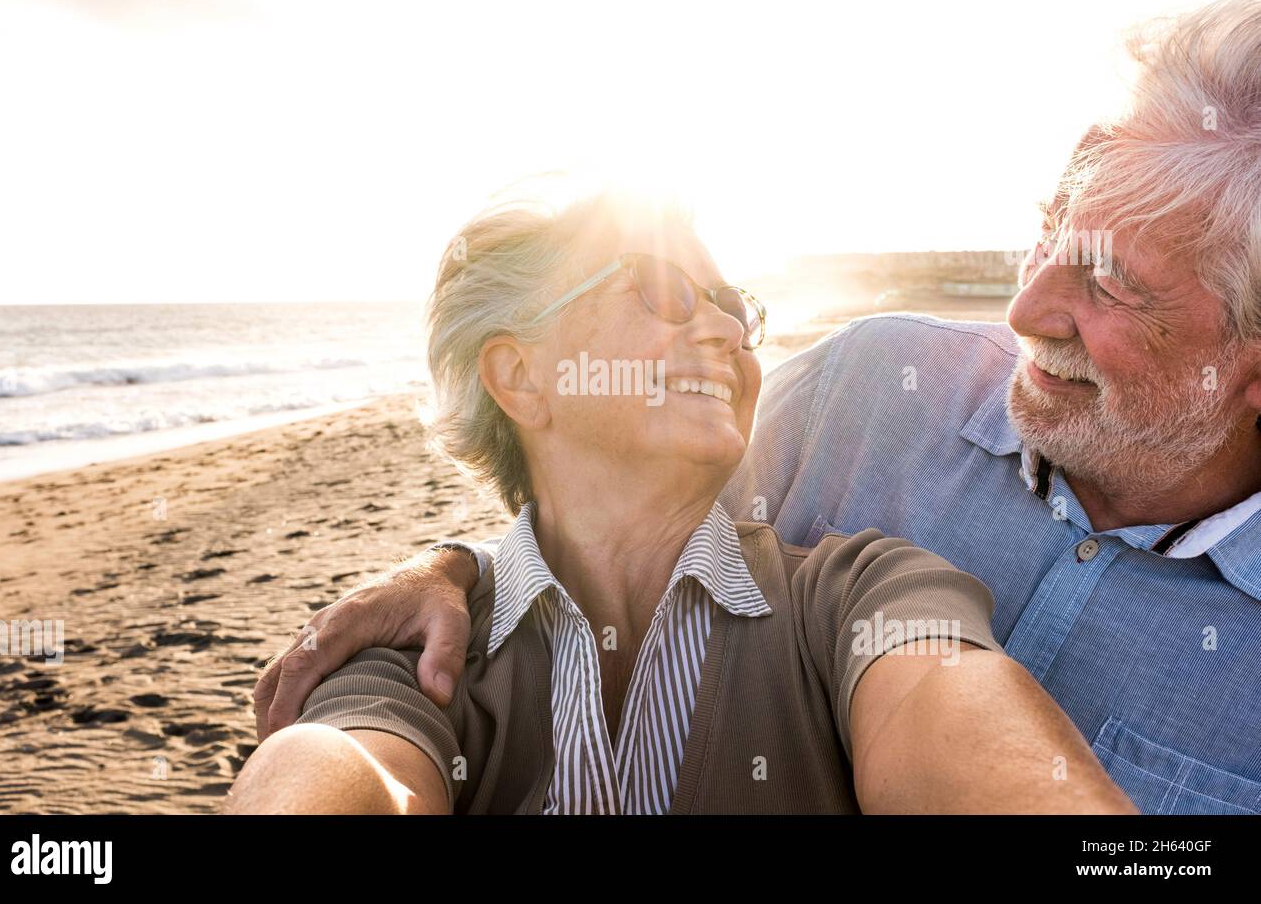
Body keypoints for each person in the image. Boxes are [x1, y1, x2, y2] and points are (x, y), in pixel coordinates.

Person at [256, 0, 1261, 815]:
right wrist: (457, 567)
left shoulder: (865, 592)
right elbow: (618, 534)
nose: (1024, 307)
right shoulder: (866, 396)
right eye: (1046, 238)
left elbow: (927, 692)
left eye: (1110, 287)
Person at [225, 191, 1134, 813]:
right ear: (519, 376)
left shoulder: (862, 591)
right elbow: (347, 770)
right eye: (659, 293)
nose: (726, 328)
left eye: (732, 304)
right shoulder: (421, 652)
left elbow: (952, 725)